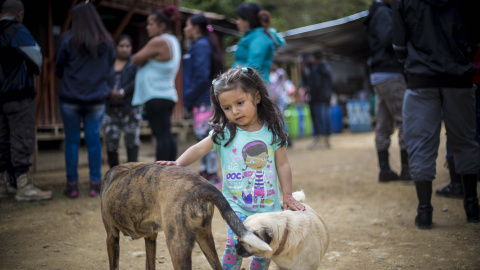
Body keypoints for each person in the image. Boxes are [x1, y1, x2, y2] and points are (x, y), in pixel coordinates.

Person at [156, 67, 305, 270]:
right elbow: (199, 148)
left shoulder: (271, 132)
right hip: (236, 206)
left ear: (257, 97)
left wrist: (287, 196)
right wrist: (178, 163)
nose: (234, 111)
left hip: (269, 208)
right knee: (234, 245)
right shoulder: (224, 132)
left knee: (264, 249)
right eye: (226, 108)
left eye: (240, 103)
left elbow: (282, 164)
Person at [392, 0, 480, 229]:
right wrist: (464, 55)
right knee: (465, 140)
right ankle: (472, 207)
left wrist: (411, 64)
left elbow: (399, 40)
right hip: (459, 76)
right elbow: (474, 32)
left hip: (421, 78)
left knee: (420, 143)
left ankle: (424, 213)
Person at [55, 2, 115, 198]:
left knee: (71, 141)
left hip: (70, 97)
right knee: (93, 141)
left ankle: (72, 186)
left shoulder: (67, 39)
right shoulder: (106, 41)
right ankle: (95, 184)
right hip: (96, 98)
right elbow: (110, 69)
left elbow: (58, 68)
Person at [0, 0, 52, 201]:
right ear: (19, 14)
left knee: (2, 138)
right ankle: (24, 186)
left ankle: (4, 185)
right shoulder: (18, 30)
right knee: (21, 136)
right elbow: (36, 59)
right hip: (18, 94)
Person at [363, 0, 411, 182]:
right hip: (390, 73)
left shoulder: (376, 12)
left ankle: (385, 170)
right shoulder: (383, 12)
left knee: (384, 123)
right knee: (404, 120)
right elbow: (388, 38)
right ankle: (407, 170)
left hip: (379, 73)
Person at [132, 6, 181, 162]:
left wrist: (144, 59)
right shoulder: (174, 41)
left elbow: (135, 59)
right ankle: (171, 167)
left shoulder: (159, 41)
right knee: (166, 133)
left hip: (156, 95)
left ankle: (160, 170)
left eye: (151, 24)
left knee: (161, 135)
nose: (148, 27)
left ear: (162, 26)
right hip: (167, 94)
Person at [182, 14, 224, 187]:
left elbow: (200, 77)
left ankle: (212, 174)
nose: (185, 29)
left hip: (202, 99)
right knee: (203, 135)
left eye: (187, 25)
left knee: (206, 136)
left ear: (196, 29)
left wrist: (188, 97)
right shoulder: (201, 45)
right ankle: (207, 171)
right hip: (201, 98)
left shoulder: (200, 46)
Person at [103, 34, 141, 169]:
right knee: (111, 142)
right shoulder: (108, 63)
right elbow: (101, 81)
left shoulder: (135, 64)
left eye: (128, 46)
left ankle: (133, 174)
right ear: (116, 47)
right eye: (121, 46)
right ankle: (114, 174)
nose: (124, 49)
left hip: (130, 108)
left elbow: (137, 82)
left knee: (131, 141)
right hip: (111, 109)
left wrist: (122, 92)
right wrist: (109, 92)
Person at [233, 2, 285, 83]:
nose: (237, 22)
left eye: (239, 18)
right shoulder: (254, 35)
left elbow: (254, 66)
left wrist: (233, 76)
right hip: (249, 84)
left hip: (254, 86)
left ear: (247, 20)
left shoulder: (260, 37)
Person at [307, 50, 333, 149]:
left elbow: (316, 85)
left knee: (320, 119)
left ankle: (321, 140)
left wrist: (312, 95)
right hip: (326, 97)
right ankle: (327, 140)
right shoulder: (327, 67)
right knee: (326, 118)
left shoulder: (317, 69)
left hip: (318, 98)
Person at [269, 60, 292, 146]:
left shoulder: (280, 72)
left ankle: (287, 139)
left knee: (281, 118)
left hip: (280, 98)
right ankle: (285, 138)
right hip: (276, 98)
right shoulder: (273, 74)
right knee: (279, 118)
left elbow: (281, 85)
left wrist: (275, 95)